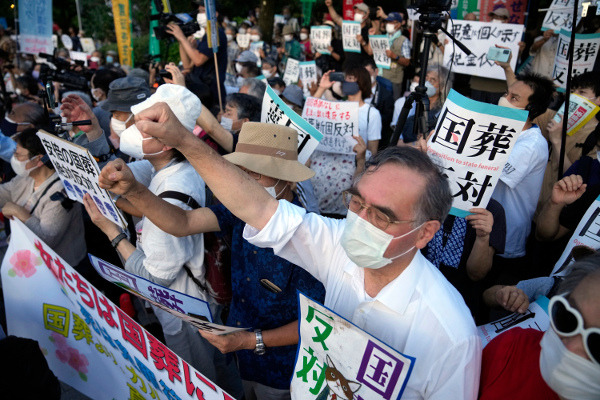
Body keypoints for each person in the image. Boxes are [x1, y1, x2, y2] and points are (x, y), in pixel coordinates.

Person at [122, 104, 482, 398]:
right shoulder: (335, 242)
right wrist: (183, 141)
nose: (361, 221)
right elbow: (258, 209)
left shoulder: (450, 336)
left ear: (425, 233)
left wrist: (254, 341)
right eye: (356, 203)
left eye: (382, 216)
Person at [99, 122, 325, 400]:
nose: (248, 182)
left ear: (288, 180)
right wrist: (133, 190)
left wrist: (250, 340)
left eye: (259, 174)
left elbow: (315, 323)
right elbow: (182, 221)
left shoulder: (312, 239)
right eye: (242, 172)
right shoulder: (239, 211)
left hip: (283, 371)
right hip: (240, 356)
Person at [83, 84, 242, 397]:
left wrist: (110, 232)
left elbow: (152, 277)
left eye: (149, 130)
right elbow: (131, 179)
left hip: (184, 311)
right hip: (199, 301)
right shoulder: (169, 166)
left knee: (198, 380)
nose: (135, 131)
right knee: (220, 370)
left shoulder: (174, 191)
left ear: (171, 142)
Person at [479, 256, 600, 400]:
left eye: (597, 344)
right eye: (567, 318)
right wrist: (504, 295)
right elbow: (488, 295)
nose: (571, 348)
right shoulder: (513, 346)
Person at [489, 73, 554, 283]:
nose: (504, 100)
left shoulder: (531, 144)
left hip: (505, 237)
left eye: (514, 98)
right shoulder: (502, 129)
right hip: (485, 228)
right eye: (506, 94)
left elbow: (490, 171)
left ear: (531, 110)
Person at [0, 128, 86, 267]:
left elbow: (47, 239)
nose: (14, 158)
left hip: (62, 269)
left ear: (39, 159)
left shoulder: (62, 192)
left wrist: (19, 212)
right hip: (32, 261)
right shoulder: (27, 178)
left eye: (18, 155)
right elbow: (5, 192)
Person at [310, 67, 381, 217]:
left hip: (349, 177)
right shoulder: (334, 106)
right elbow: (311, 113)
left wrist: (361, 154)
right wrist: (322, 88)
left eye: (351, 79)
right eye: (345, 79)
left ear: (362, 82)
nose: (346, 83)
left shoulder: (371, 113)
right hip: (320, 179)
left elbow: (373, 152)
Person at [167, 2, 228, 109]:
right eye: (199, 12)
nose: (199, 15)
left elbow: (198, 60)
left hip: (212, 94)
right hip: (201, 90)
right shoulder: (204, 36)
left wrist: (181, 37)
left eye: (203, 11)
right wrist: (183, 41)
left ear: (216, 14)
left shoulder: (215, 34)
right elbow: (188, 66)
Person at [97, 76, 151, 154]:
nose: (113, 121)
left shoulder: (153, 151)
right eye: (112, 115)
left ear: (137, 115)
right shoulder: (131, 147)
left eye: (117, 115)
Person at [368, 12, 411, 100]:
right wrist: (371, 37)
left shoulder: (404, 40)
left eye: (392, 22)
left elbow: (407, 62)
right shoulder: (382, 37)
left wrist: (395, 56)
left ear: (398, 24)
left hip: (394, 80)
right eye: (388, 22)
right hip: (380, 76)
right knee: (379, 102)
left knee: (392, 104)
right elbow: (370, 52)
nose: (389, 24)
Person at [325, 0, 373, 68]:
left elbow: (370, 52)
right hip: (348, 65)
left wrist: (363, 42)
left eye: (360, 11)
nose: (356, 13)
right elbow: (337, 19)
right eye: (356, 11)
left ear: (366, 14)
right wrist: (330, 6)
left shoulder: (369, 30)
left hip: (361, 67)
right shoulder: (349, 27)